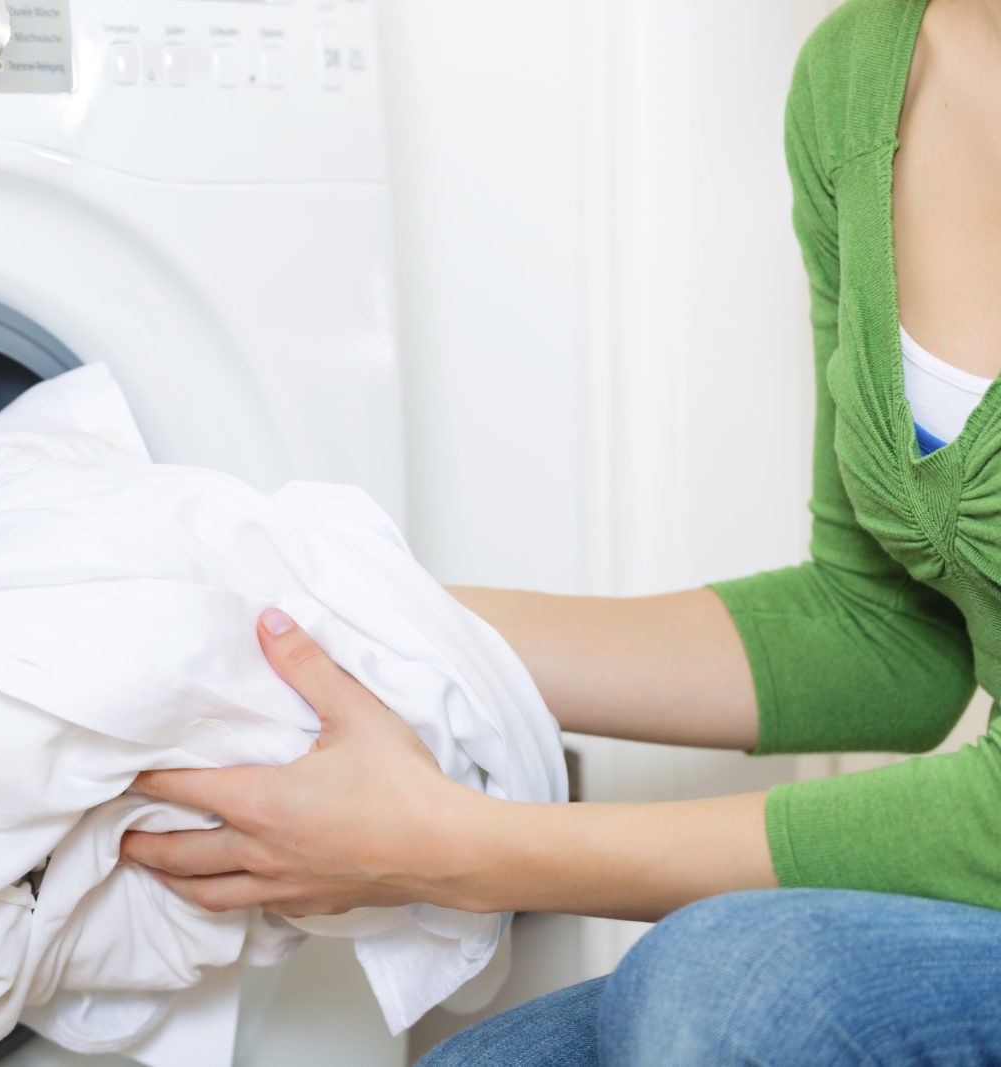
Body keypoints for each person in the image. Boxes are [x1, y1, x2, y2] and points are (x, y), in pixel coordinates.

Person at [119, 0, 1001, 1061]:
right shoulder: (862, 73)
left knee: (735, 982)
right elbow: (885, 638)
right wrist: (338, 609)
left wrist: (461, 849)